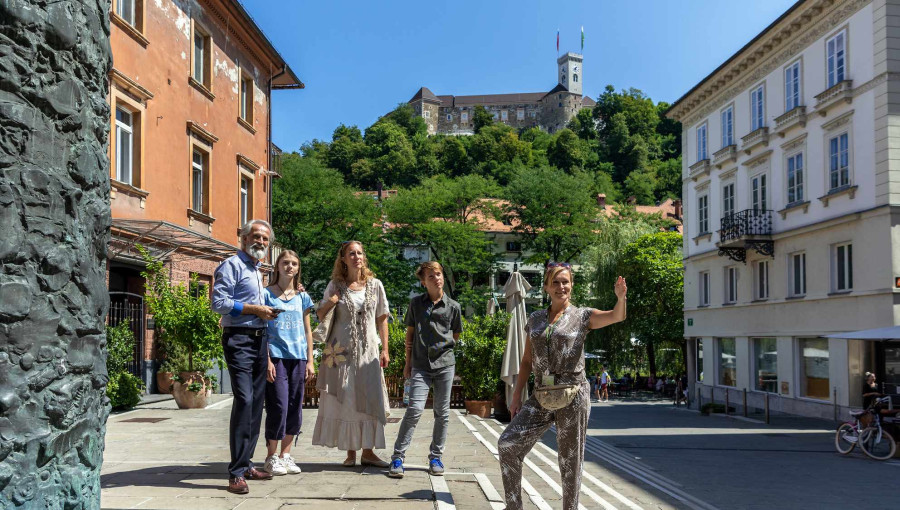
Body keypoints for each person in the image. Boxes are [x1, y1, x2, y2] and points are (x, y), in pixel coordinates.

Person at [498, 263, 627, 510]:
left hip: (573, 394)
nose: (561, 287)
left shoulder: (583, 316)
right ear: (546, 286)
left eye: (565, 282)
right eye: (555, 282)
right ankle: (513, 506)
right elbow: (526, 360)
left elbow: (616, 316)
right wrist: (516, 396)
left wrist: (620, 298)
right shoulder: (535, 318)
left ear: (572, 285)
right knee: (508, 444)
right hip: (540, 394)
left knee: (570, 461)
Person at [211, 219, 277, 495]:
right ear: (243, 237)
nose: (260, 242)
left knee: (256, 402)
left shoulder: (257, 269)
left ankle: (247, 463)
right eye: (256, 237)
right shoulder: (232, 265)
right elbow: (219, 303)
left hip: (260, 340)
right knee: (245, 399)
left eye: (265, 239)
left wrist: (267, 311)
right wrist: (254, 309)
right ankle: (235, 474)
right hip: (238, 339)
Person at [312, 241, 392, 467]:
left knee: (369, 396)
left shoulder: (375, 285)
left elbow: (382, 318)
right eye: (351, 253)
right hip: (341, 352)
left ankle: (368, 452)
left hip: (368, 352)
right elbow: (320, 314)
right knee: (346, 397)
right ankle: (350, 453)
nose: (357, 256)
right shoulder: (335, 285)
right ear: (343, 259)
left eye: (360, 253)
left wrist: (385, 348)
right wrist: (332, 300)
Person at [388, 261, 462, 478]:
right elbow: (409, 333)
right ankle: (398, 457)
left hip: (445, 365)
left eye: (438, 274)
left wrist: (444, 349)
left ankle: (436, 457)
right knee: (414, 410)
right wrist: (407, 363)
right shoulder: (416, 304)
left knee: (443, 413)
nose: (437, 278)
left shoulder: (454, 307)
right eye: (431, 276)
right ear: (423, 282)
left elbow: (455, 334)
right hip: (420, 365)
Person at [262, 250, 315, 476]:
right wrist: (266, 360)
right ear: (277, 266)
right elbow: (261, 329)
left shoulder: (303, 297)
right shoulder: (265, 295)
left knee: (295, 407)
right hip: (276, 356)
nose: (289, 267)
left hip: (299, 357)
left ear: (298, 268)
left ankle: (286, 455)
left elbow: (307, 329)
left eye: (294, 263)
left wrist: (311, 360)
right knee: (278, 406)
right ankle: (271, 457)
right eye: (285, 263)